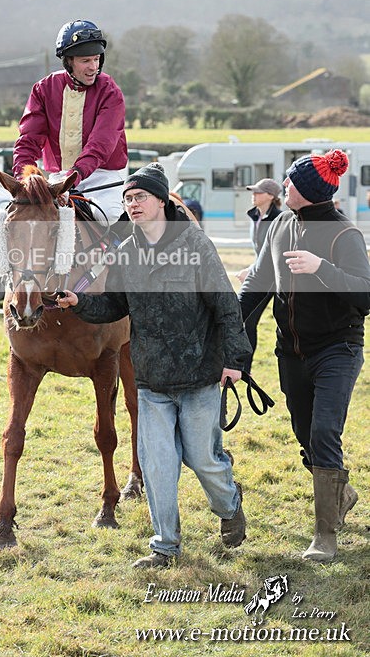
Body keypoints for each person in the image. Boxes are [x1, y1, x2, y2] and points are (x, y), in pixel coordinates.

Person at [57, 162, 251, 567]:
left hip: (198, 374)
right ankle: (165, 546)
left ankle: (230, 505)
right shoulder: (126, 253)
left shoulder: (195, 245)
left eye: (139, 196)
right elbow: (116, 305)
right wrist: (82, 303)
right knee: (158, 466)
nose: (132, 204)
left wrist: (234, 361)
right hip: (151, 379)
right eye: (127, 199)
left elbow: (225, 304)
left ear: (161, 199)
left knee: (203, 460)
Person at [239, 149, 370, 563]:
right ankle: (341, 493)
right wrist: (227, 325)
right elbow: (257, 284)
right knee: (304, 436)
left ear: (310, 192)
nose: (285, 187)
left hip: (338, 348)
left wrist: (320, 268)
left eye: (291, 182)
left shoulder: (344, 234)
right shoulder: (279, 224)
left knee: (323, 433)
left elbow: (365, 297)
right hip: (290, 351)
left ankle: (325, 537)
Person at [13, 19, 128, 223]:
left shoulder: (110, 91)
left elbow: (100, 144)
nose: (93, 67)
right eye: (85, 61)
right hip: (59, 177)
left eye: (96, 59)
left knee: (110, 216)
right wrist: (24, 180)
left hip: (103, 176)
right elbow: (28, 140)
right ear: (68, 61)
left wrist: (75, 175)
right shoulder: (43, 89)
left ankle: (125, 255)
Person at [236, 178, 283, 373]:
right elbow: (260, 252)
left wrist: (251, 270)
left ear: (271, 196)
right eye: (253, 191)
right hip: (260, 273)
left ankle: (245, 368)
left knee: (251, 320)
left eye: (258, 192)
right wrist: (253, 267)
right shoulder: (255, 215)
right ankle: (245, 367)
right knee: (248, 321)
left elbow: (274, 254)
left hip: (274, 278)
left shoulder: (278, 219)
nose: (253, 194)